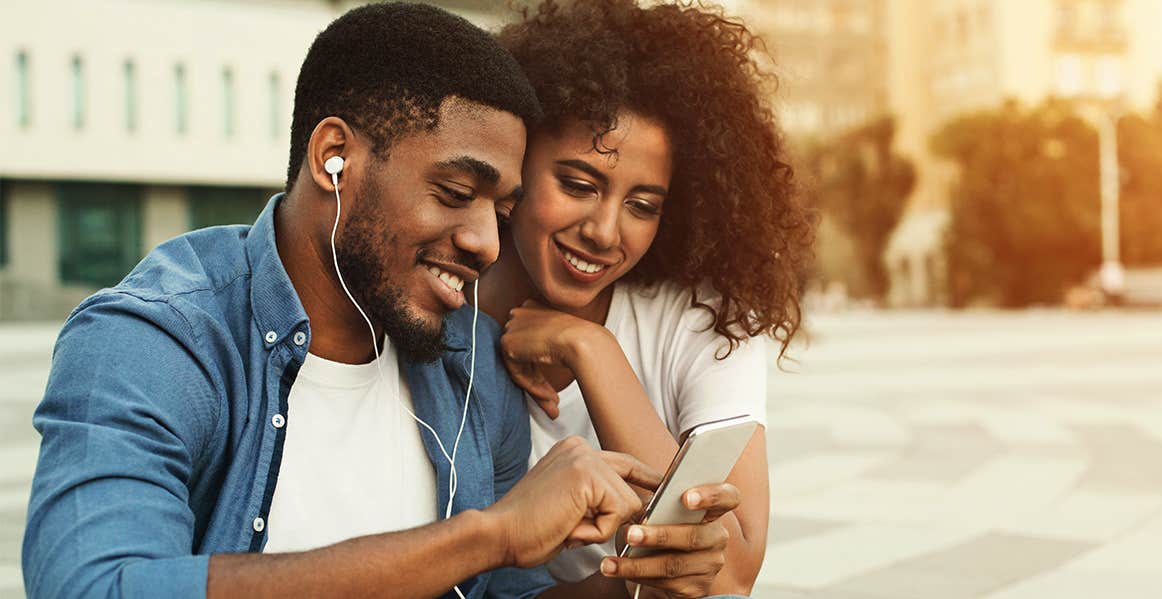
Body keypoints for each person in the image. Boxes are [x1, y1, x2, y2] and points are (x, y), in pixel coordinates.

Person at [22, 4, 741, 598]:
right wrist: (487, 534)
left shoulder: (471, 363)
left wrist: (641, 579)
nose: (486, 243)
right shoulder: (155, 341)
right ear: (334, 155)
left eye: (500, 209)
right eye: (456, 195)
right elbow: (96, 585)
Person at [481, 1, 814, 596]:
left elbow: (729, 577)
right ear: (518, 156)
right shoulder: (446, 295)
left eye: (643, 206)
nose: (606, 232)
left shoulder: (706, 316)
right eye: (579, 185)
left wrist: (591, 348)